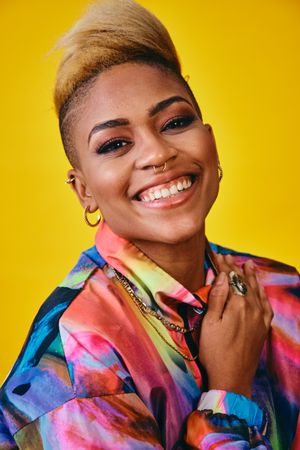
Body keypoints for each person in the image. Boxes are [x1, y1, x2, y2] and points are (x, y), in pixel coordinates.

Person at [0, 0, 299, 448]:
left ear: (210, 140)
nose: (158, 154)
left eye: (175, 121)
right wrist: (228, 394)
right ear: (83, 190)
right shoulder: (74, 365)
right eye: (115, 143)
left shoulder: (282, 290)